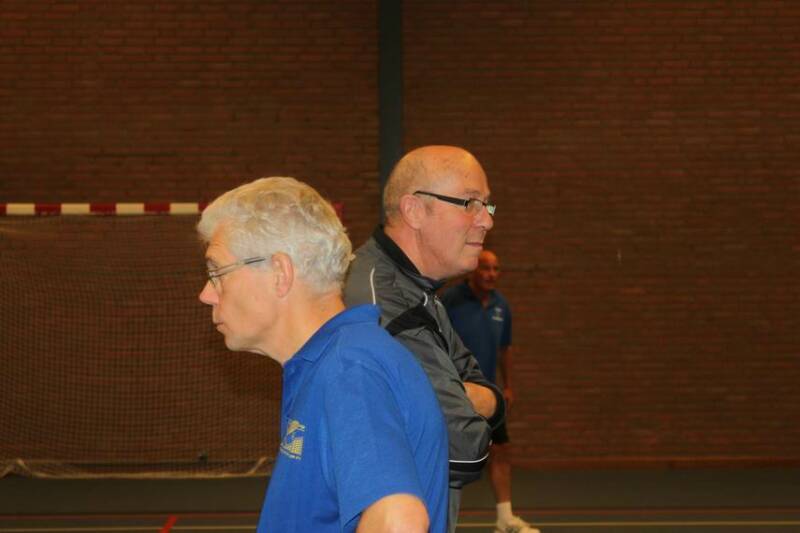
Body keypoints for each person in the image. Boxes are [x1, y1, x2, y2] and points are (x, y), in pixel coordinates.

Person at [197, 177, 448, 533]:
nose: (206, 294)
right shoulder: (330, 361)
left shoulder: (349, 367)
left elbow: (398, 522)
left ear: (280, 273)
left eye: (216, 272)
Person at [344, 145, 506, 532]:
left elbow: (482, 386)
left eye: (487, 205)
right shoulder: (380, 304)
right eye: (470, 203)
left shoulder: (418, 290)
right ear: (414, 210)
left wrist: (477, 398)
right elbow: (465, 446)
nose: (486, 220)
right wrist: (476, 401)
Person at [442, 250, 540, 533]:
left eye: (496, 269)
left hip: (489, 396)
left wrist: (507, 385)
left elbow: (504, 349)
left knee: (500, 450)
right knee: (447, 456)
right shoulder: (450, 301)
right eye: (485, 268)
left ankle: (505, 519)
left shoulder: (501, 306)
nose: (491, 274)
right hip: (456, 395)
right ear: (473, 269)